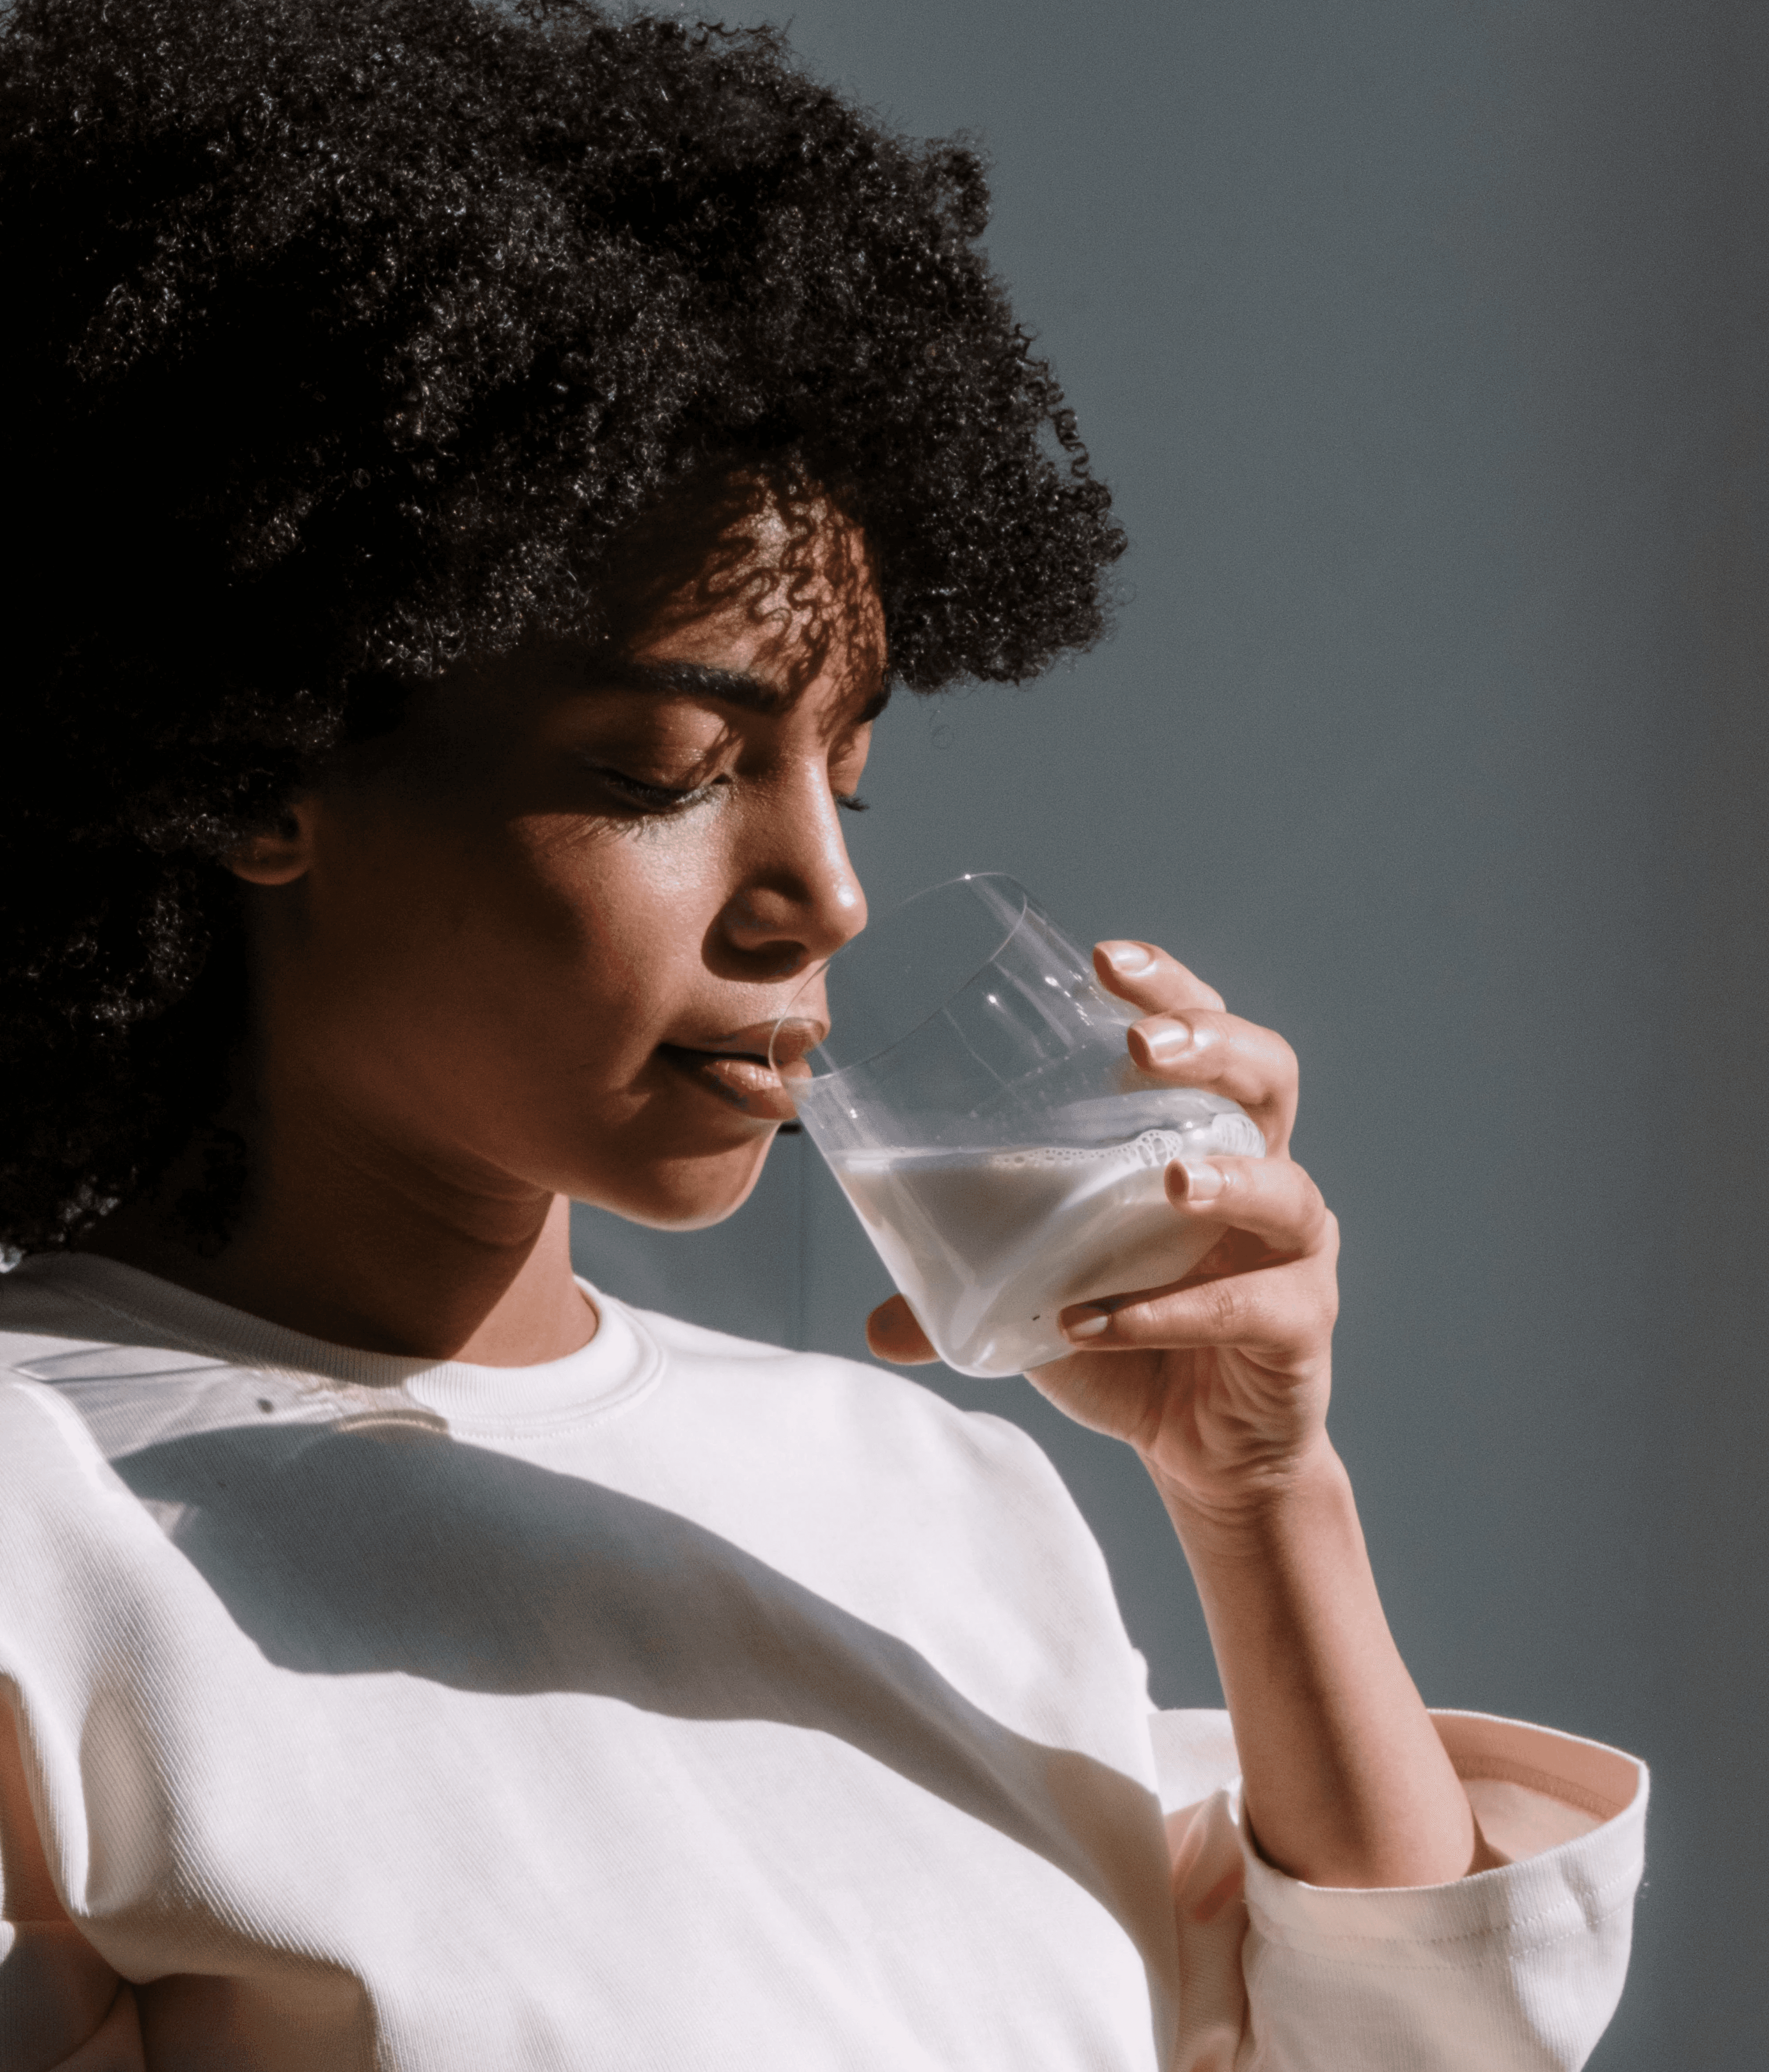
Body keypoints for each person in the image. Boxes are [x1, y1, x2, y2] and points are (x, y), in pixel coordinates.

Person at [0, 2, 1644, 2067]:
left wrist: (1260, 1497)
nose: (826, 895)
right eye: (672, 767)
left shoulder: (931, 1502)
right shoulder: (35, 1521)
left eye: (842, 780)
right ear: (253, 769)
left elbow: (1413, 2050)